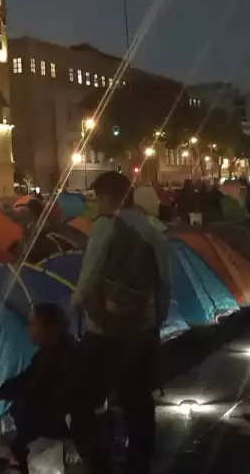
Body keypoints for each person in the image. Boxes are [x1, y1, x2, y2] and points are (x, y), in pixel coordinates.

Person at [71, 171, 171, 474]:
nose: (95, 204)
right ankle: (140, 458)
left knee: (81, 398)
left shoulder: (107, 226)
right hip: (144, 326)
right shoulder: (153, 227)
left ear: (108, 197)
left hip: (105, 330)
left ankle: (97, 461)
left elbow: (88, 280)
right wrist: (156, 321)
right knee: (137, 396)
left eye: (97, 197)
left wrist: (72, 309)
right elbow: (164, 280)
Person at [0, 303, 74, 471]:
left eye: (34, 324)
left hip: (48, 434)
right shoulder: (46, 354)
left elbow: (66, 402)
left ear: (49, 329)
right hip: (36, 430)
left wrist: (70, 440)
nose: (29, 329)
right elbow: (23, 381)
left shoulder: (65, 359)